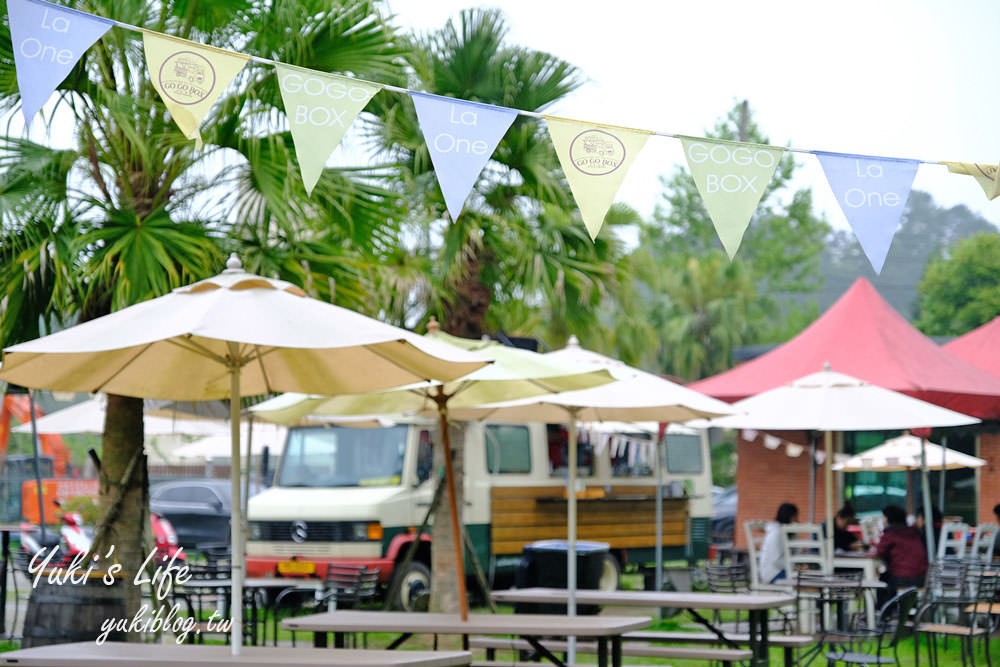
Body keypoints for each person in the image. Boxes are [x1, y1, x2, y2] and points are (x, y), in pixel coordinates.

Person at [876, 504, 927, 605]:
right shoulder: (914, 532)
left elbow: (879, 552)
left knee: (882, 581)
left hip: (903, 579)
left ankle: (884, 612)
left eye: (883, 517)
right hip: (922, 578)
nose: (882, 521)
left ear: (888, 519)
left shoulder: (890, 534)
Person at [759, 502, 799, 584]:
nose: (796, 521)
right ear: (789, 517)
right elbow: (776, 560)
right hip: (773, 573)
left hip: (781, 570)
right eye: (795, 517)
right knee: (804, 579)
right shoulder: (776, 533)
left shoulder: (782, 532)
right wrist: (794, 567)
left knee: (806, 577)